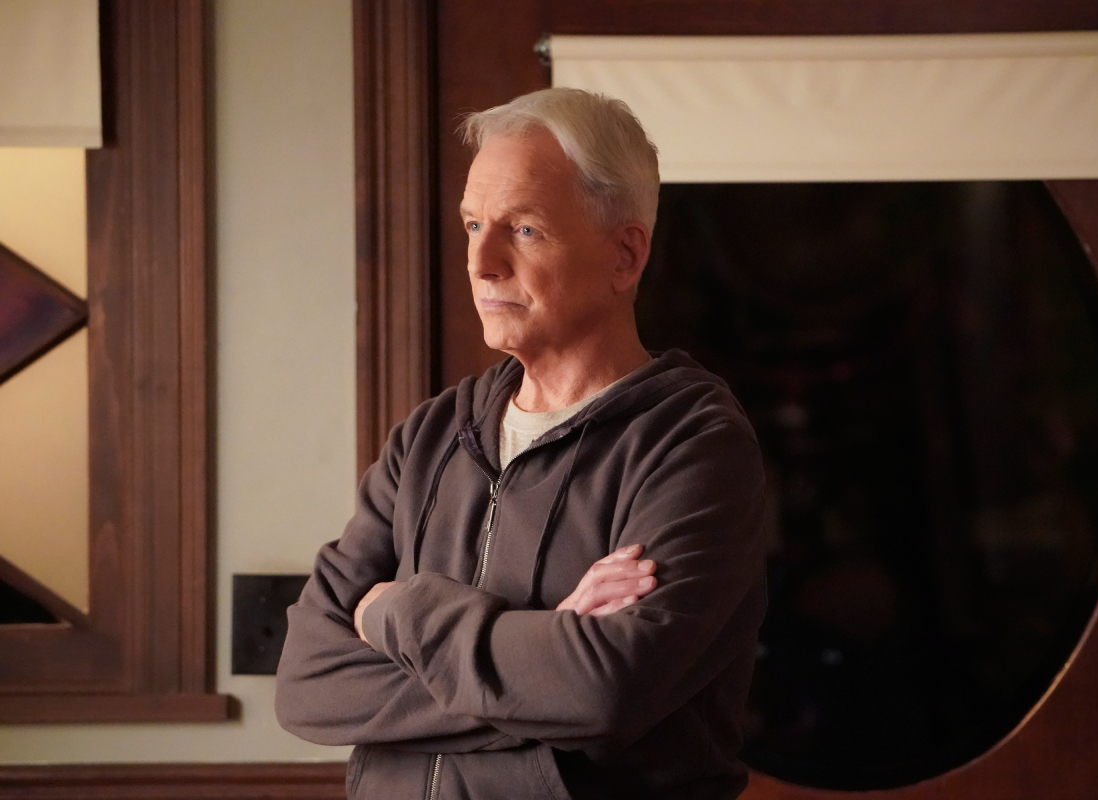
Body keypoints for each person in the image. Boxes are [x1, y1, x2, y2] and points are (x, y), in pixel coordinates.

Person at [275, 87, 767, 800]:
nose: (481, 262)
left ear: (625, 255)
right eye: (474, 225)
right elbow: (306, 684)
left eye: (525, 229)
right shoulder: (429, 437)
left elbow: (602, 690)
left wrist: (393, 613)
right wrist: (541, 661)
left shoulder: (694, 444)